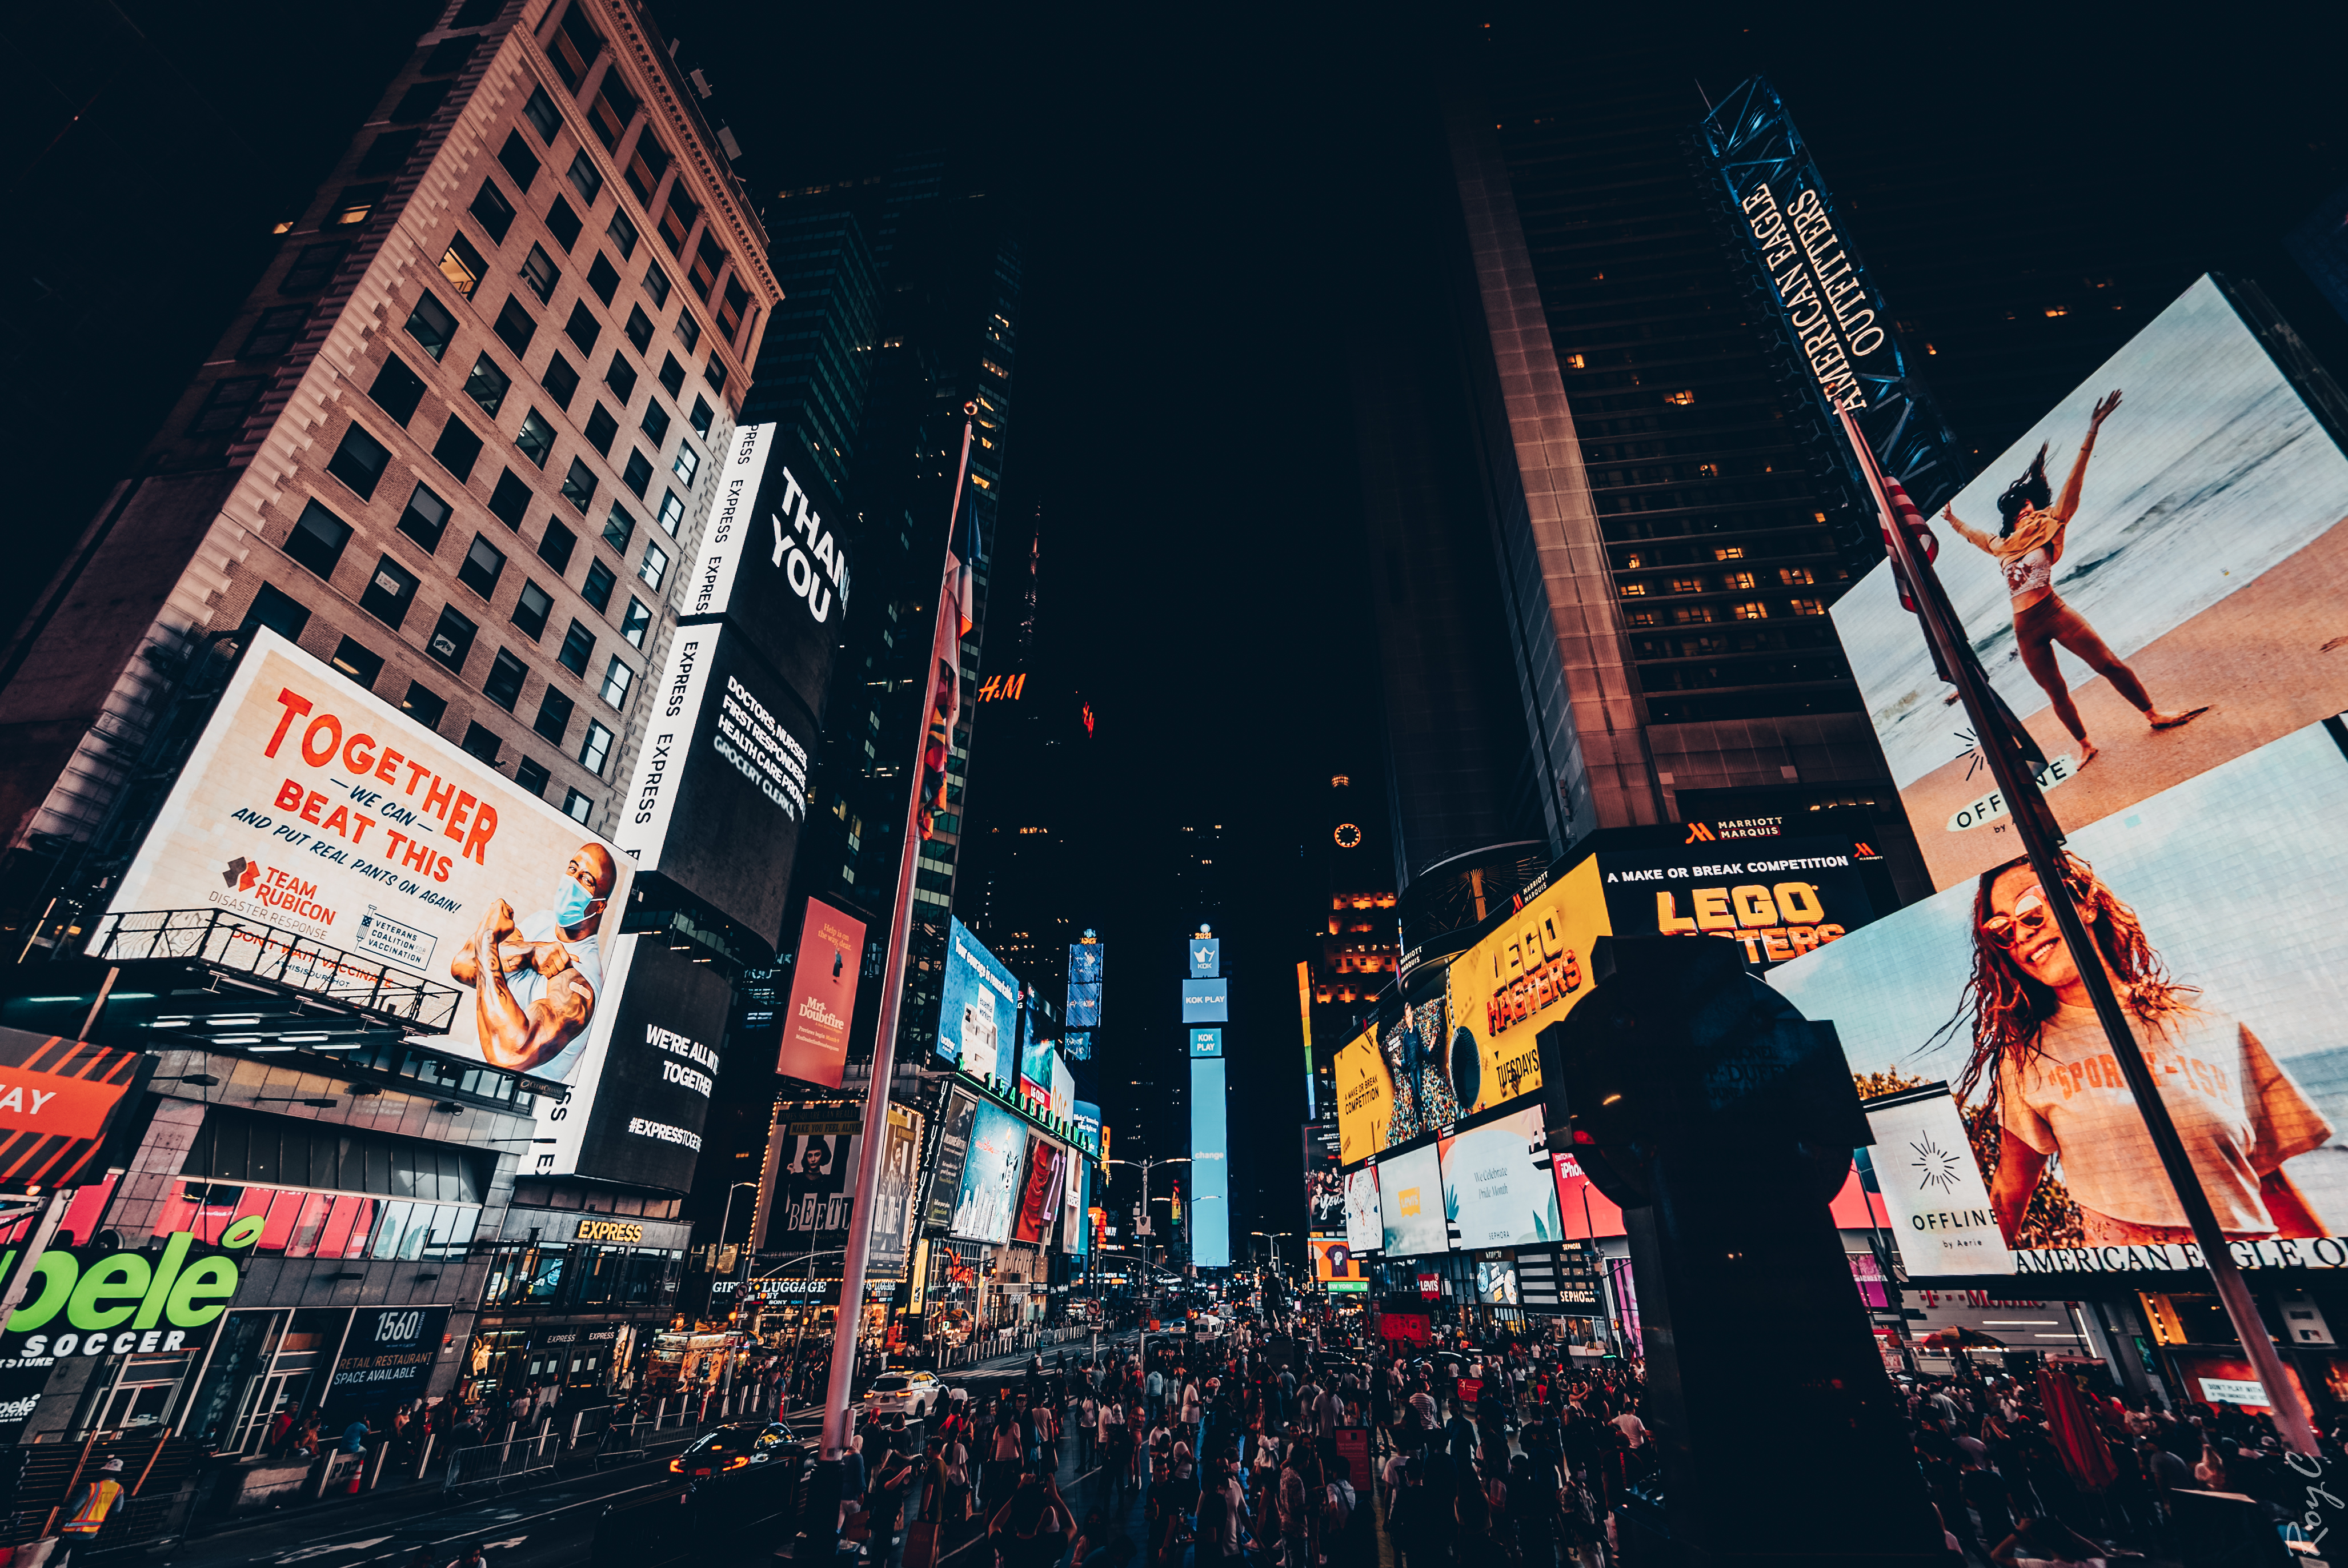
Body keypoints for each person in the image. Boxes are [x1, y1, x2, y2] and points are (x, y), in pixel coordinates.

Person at [1956, 852, 2333, 1246]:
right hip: (2146, 1295)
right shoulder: (2029, 1056)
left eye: (2032, 912)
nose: (2022, 935)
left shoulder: (2209, 1023)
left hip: (2257, 1280)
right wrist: (1973, 1288)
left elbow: (2268, 1182)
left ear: (2085, 903)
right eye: (2002, 930)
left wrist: (2334, 1282)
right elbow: (2010, 1192)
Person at [1941, 391, 2204, 767]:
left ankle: (2153, 714)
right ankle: (2085, 745)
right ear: (2013, 519)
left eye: (2031, 509)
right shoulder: (2002, 546)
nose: (2028, 515)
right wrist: (1950, 520)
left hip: (2054, 611)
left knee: (2108, 664)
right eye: (2021, 513)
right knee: (2055, 691)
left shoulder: (2053, 524)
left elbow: (2073, 484)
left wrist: (2092, 431)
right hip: (2023, 628)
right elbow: (1973, 534)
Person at [449, 843, 616, 1076]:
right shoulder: (541, 923)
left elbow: (509, 1055)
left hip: (510, 1098)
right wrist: (528, 953)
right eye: (572, 869)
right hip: (467, 1072)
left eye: (586, 880)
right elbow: (462, 966)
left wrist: (488, 937)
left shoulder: (580, 979)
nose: (573, 882)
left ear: (600, 905)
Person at [1988, 1515, 2109, 1567]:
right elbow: (2101, 1555)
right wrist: (2070, 1532)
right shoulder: (2092, 1565)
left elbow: (1997, 1556)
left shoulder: (2043, 1566)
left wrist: (2019, 1532)